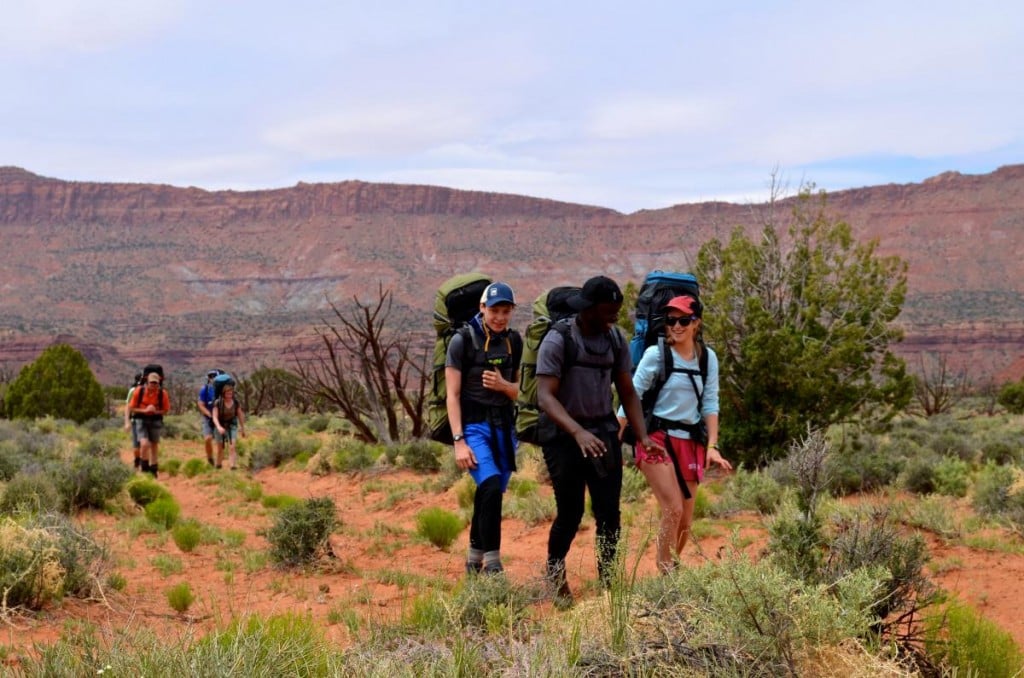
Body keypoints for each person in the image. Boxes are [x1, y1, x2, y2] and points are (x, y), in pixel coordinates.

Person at [536, 275, 664, 603]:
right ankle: (554, 573)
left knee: (609, 512)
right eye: (609, 311)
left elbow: (627, 391)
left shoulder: (615, 339)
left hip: (603, 432)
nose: (615, 318)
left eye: (617, 311)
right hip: (564, 436)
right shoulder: (558, 339)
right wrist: (576, 432)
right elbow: (545, 397)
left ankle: (609, 583)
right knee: (571, 511)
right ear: (589, 309)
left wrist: (642, 434)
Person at [622, 295, 732, 573]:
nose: (676, 326)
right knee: (672, 509)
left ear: (697, 323)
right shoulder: (656, 355)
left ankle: (670, 569)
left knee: (685, 520)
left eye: (684, 320)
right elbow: (631, 395)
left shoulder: (707, 359)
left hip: (690, 442)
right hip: (656, 439)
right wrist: (616, 432)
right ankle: (667, 573)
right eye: (671, 320)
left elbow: (710, 403)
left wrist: (712, 446)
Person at [446, 282, 523, 575]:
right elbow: (452, 395)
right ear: (482, 308)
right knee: (489, 486)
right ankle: (493, 563)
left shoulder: (514, 342)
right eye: (494, 310)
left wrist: (504, 387)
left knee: (489, 492)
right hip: (474, 427)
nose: (500, 317)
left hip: (504, 428)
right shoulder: (462, 341)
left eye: (505, 311)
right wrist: (458, 441)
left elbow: (521, 392)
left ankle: (473, 558)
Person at [130, 371, 170, 477]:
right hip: (141, 419)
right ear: (147, 382)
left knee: (154, 445)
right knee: (144, 444)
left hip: (155, 420)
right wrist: (145, 411)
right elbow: (132, 408)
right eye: (152, 383)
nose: (154, 385)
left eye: (156, 383)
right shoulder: (139, 391)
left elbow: (165, 410)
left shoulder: (162, 394)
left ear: (159, 383)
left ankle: (153, 469)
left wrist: (154, 411)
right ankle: (144, 468)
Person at [212, 382, 246, 470]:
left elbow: (240, 415)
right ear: (224, 393)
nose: (229, 395)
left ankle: (233, 466)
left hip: (232, 425)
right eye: (228, 393)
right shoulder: (218, 403)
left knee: (232, 447)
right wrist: (219, 427)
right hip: (220, 425)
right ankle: (218, 466)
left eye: (231, 393)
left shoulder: (235, 402)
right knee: (220, 448)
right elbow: (214, 417)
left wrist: (242, 428)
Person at [197, 369, 220, 466]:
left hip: (219, 417)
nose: (212, 378)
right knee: (208, 438)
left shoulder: (222, 389)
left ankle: (219, 462)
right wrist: (209, 415)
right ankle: (210, 458)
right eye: (210, 376)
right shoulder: (204, 390)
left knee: (220, 441)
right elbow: (200, 404)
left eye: (214, 376)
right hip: (208, 417)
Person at [124, 372, 143, 469]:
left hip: (147, 420)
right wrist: (127, 422)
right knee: (136, 445)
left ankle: (144, 463)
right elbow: (127, 406)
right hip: (135, 419)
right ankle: (137, 460)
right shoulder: (133, 390)